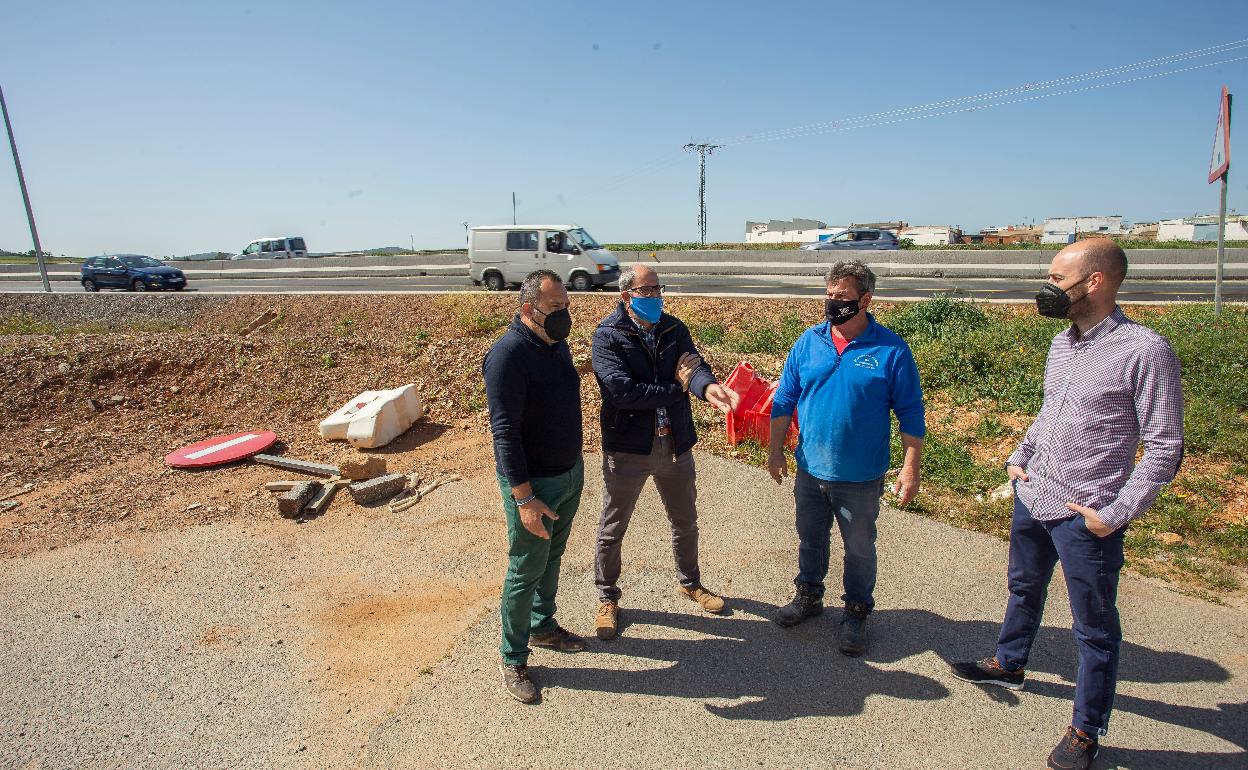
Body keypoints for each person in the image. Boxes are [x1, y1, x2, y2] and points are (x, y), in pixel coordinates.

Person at [951, 240, 1184, 770]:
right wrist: (1019, 456)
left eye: (1058, 277)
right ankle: (1009, 662)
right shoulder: (1063, 344)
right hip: (1034, 495)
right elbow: (1048, 412)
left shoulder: (1144, 350)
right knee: (1023, 586)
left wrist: (1115, 513)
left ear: (1094, 282)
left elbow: (1166, 446)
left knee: (1094, 629)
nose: (1049, 287)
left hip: (1088, 517)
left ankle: (1085, 728)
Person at [767, 260, 926, 656]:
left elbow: (910, 412)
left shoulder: (891, 350)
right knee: (810, 537)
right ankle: (809, 594)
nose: (833, 302)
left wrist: (911, 467)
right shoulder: (808, 342)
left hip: (859, 476)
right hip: (810, 468)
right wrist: (774, 450)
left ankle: (856, 610)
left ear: (866, 300)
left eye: (843, 297)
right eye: (829, 295)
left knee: (858, 547)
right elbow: (784, 398)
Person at [590, 263, 741, 640]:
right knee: (613, 527)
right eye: (647, 291)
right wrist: (677, 386)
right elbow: (622, 393)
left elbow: (695, 367)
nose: (656, 297)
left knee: (685, 521)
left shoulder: (674, 328)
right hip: (628, 449)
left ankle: (691, 583)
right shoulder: (607, 336)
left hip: (675, 444)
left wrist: (708, 389)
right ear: (626, 296)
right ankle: (607, 597)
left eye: (658, 289)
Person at [482, 269, 586, 704]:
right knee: (525, 569)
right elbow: (504, 432)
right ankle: (513, 657)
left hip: (568, 474)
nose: (565, 314)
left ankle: (544, 627)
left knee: (552, 557)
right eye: (556, 307)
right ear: (528, 310)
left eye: (566, 305)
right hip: (533, 485)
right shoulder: (507, 356)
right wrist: (524, 497)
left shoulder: (555, 345)